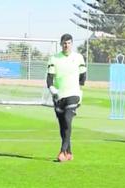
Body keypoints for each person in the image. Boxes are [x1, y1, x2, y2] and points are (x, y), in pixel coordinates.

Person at [46, 33, 86, 162]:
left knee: (68, 120)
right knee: (63, 125)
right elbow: (49, 78)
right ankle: (69, 152)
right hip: (59, 96)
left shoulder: (78, 57)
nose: (66, 45)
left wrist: (79, 89)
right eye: (64, 43)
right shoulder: (54, 59)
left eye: (68, 43)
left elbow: (83, 75)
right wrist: (52, 89)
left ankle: (62, 152)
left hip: (73, 94)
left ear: (72, 44)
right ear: (61, 44)